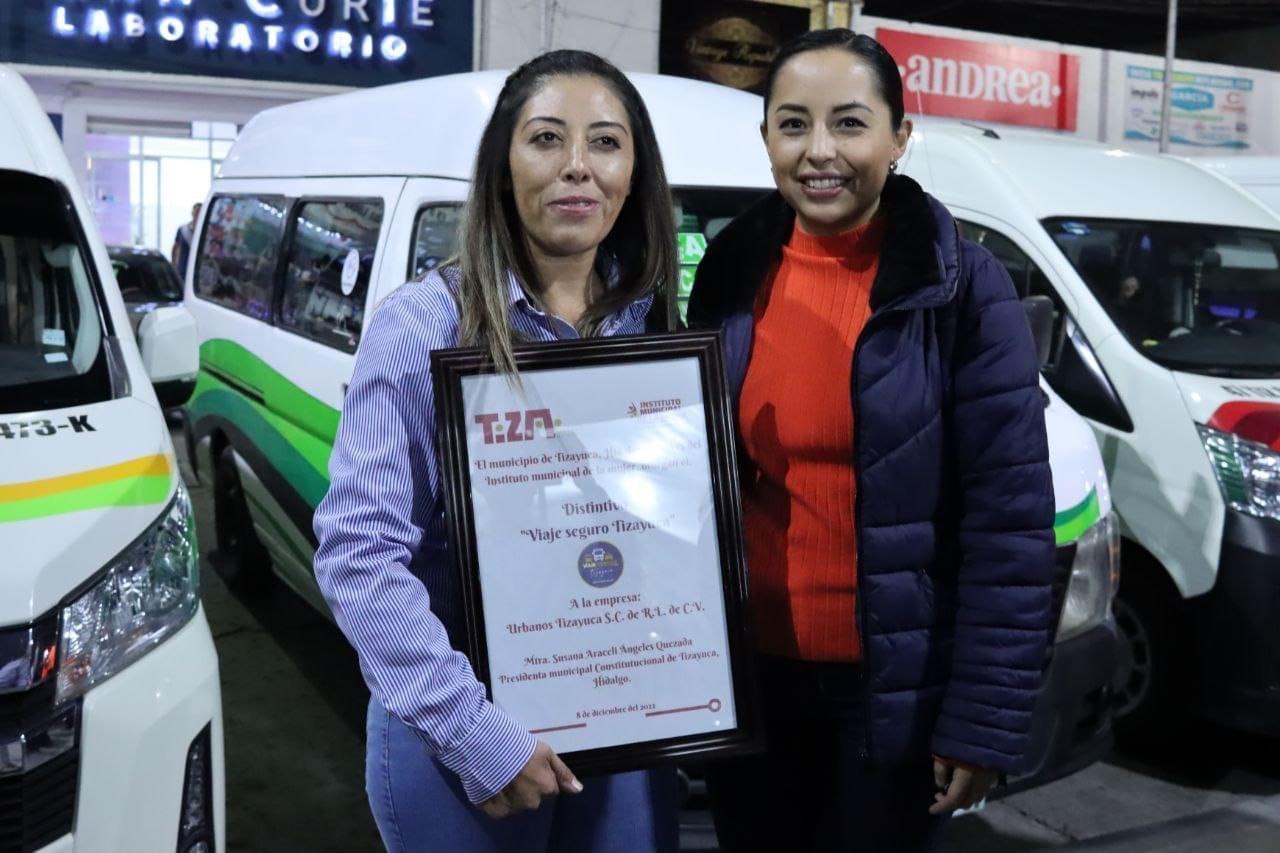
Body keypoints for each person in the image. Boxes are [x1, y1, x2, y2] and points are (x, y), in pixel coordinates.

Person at [687, 29, 1056, 852]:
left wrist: (981, 722)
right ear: (766, 140)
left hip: (891, 695)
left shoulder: (960, 285)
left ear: (899, 137)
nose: (820, 151)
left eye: (849, 124)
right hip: (750, 683)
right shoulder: (731, 267)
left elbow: (1011, 525)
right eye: (793, 124)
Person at [312, 50, 680, 852]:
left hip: (620, 718)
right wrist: (478, 732)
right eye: (547, 138)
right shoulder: (423, 328)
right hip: (462, 735)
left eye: (606, 143)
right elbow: (358, 556)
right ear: (503, 164)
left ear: (634, 171)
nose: (577, 167)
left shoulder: (648, 332)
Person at [171, 202, 200, 277]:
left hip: (198, 271)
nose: (197, 214)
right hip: (183, 269)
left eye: (199, 212)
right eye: (196, 212)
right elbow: (175, 247)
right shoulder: (183, 229)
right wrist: (174, 265)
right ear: (192, 213)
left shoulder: (206, 232)